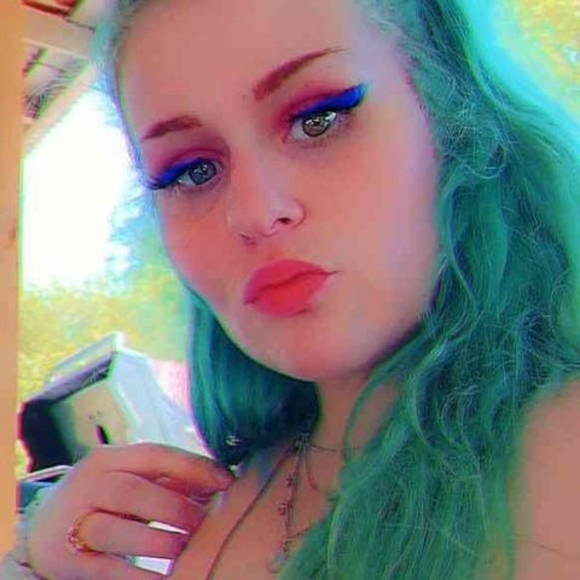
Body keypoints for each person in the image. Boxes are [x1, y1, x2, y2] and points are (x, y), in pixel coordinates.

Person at [3, 0, 580, 578]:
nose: (255, 211)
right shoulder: (229, 491)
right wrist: (39, 560)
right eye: (193, 170)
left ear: (456, 122)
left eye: (318, 119)